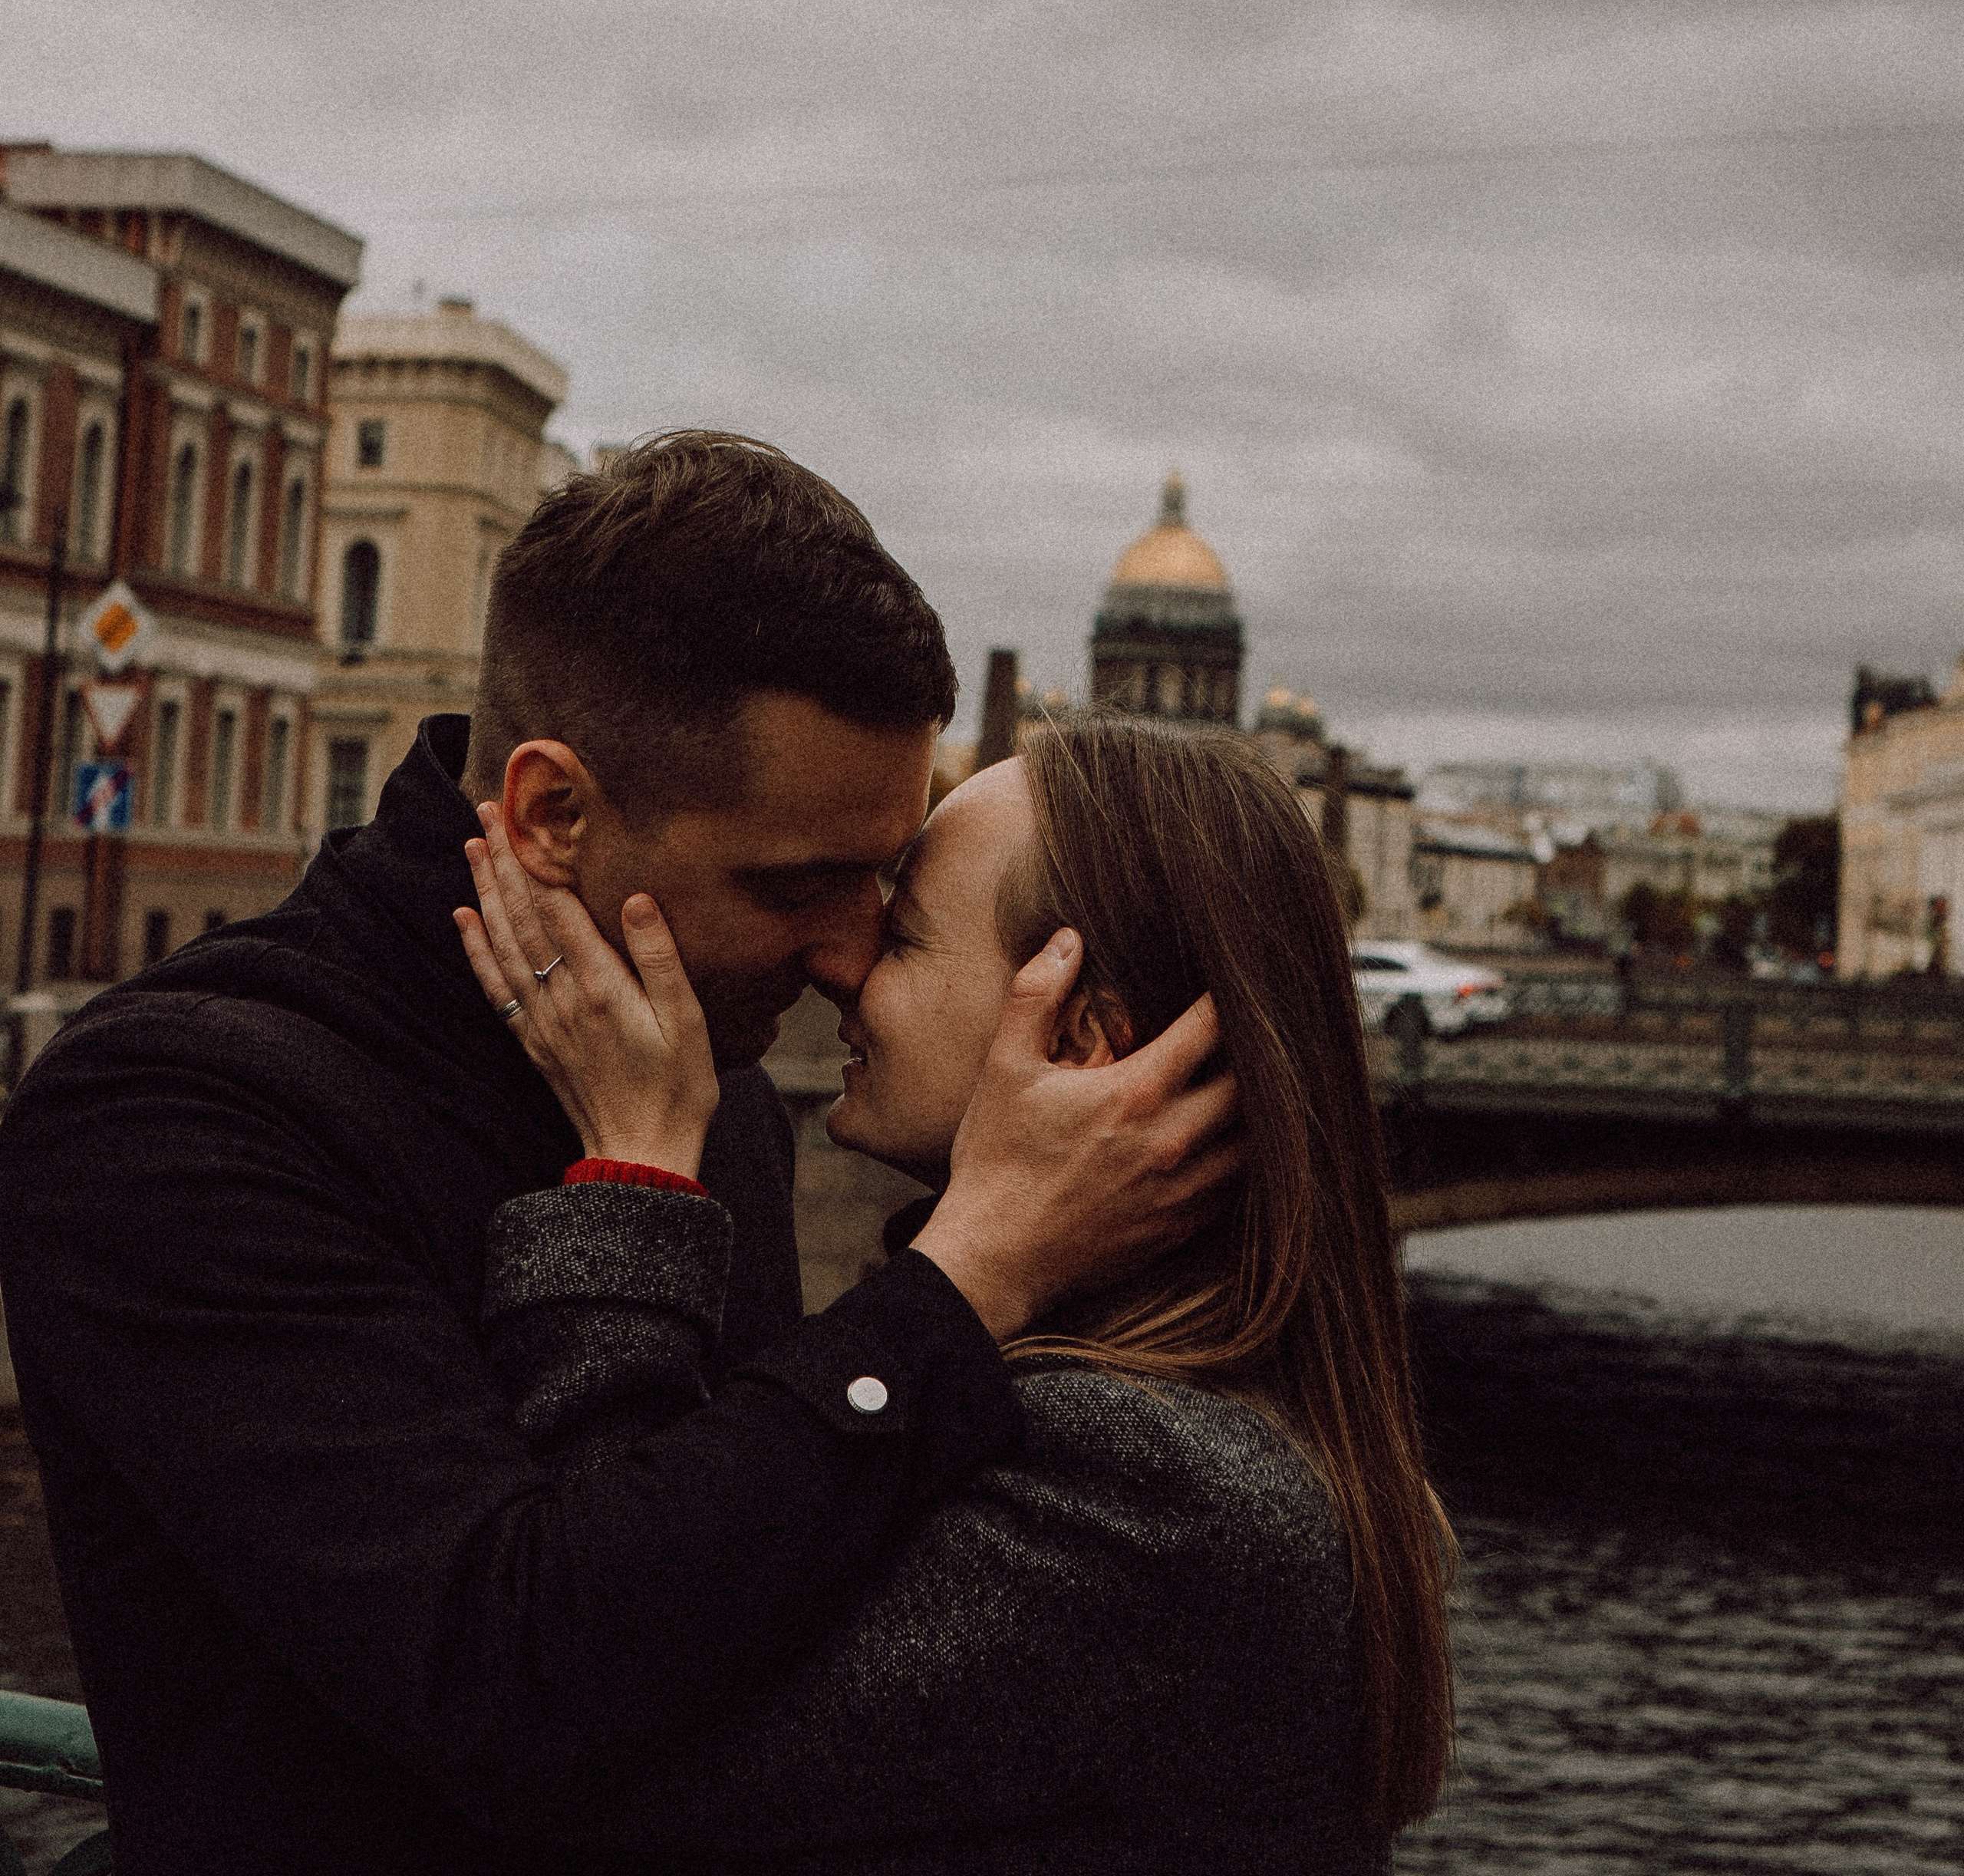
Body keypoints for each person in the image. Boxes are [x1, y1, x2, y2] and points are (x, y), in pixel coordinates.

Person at [0, 437, 1236, 1876]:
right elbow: (515, 1690)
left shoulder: (709, 1088)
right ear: (548, 815)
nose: (851, 957)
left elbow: (750, 1618)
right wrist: (962, 1286)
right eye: (795, 884)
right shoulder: (177, 1116)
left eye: (882, 878)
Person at [460, 708, 1455, 1875]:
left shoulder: (1150, 1489)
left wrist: (634, 1171)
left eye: (908, 936)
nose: (845, 966)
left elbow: (592, 1744)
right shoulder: (1160, 1419)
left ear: (1081, 1039)